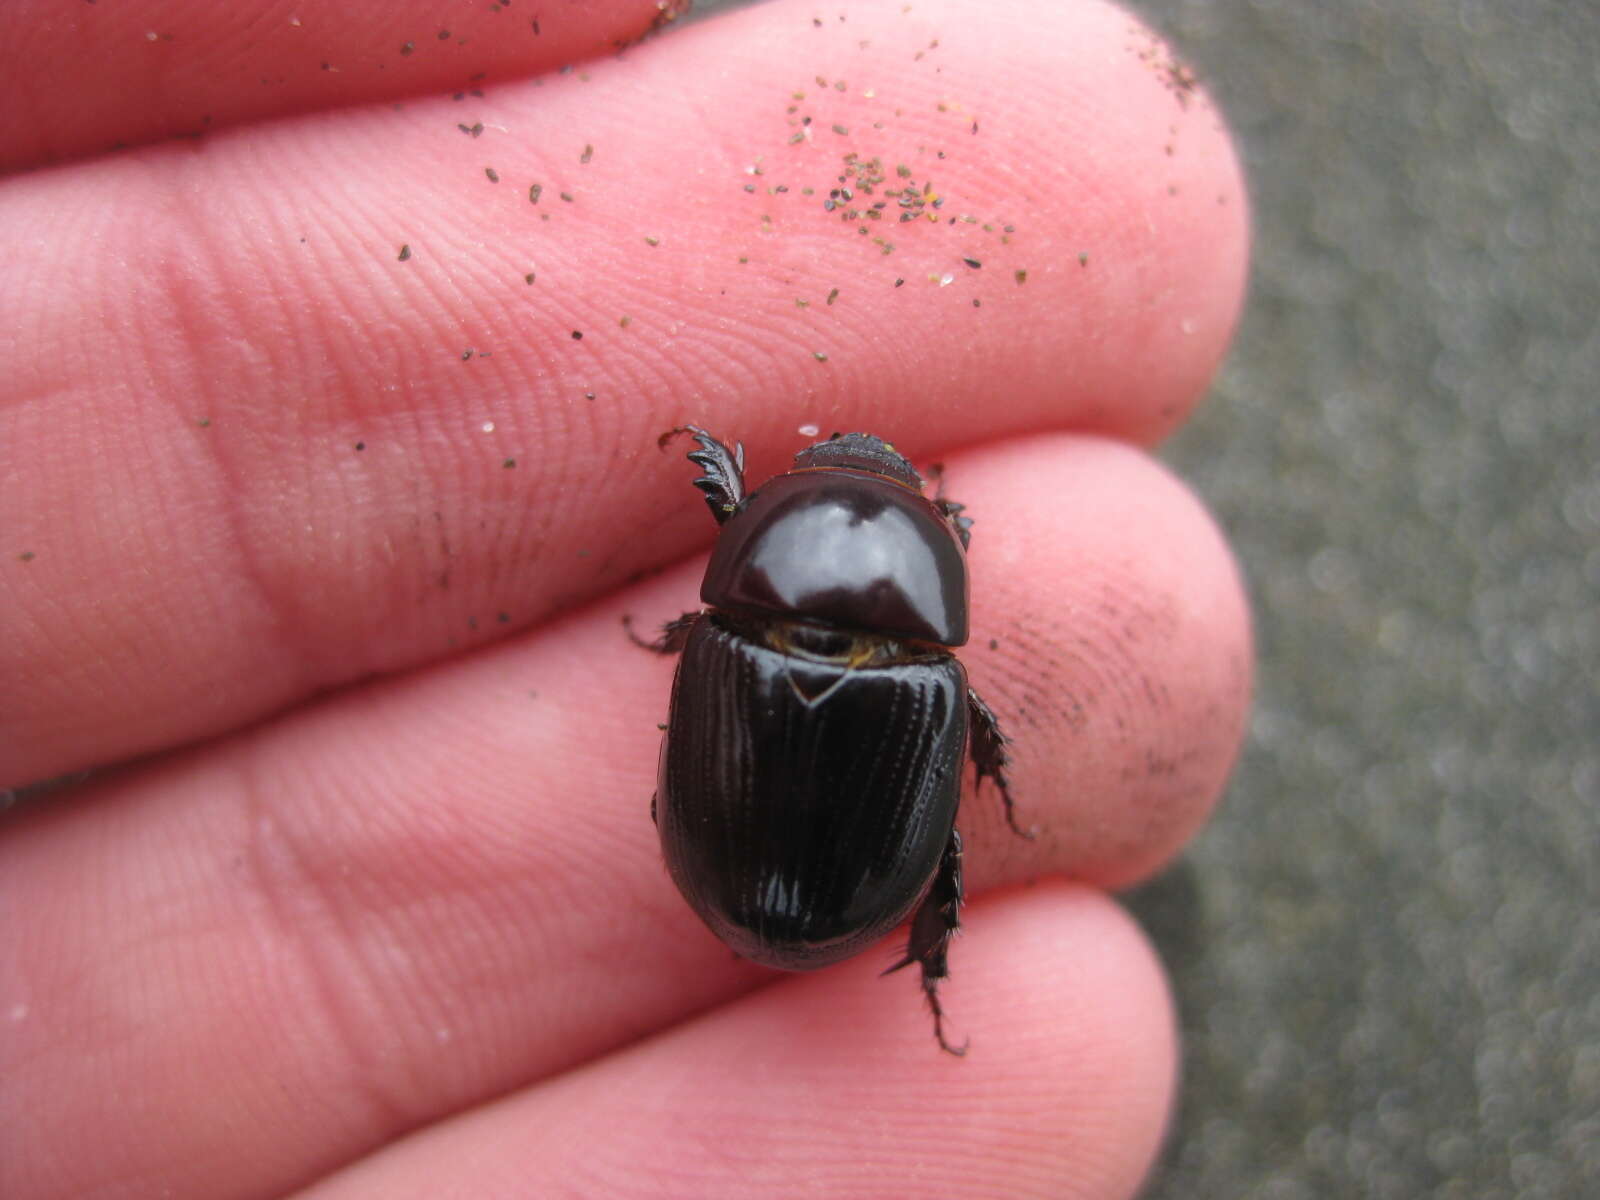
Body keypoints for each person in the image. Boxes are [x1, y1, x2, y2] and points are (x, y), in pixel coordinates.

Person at [0, 1, 1252, 1195]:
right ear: (937, 577)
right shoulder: (937, 675)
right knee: (969, 811)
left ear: (756, 538)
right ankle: (932, 968)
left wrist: (722, 471)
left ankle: (925, 958)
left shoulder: (738, 624)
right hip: (822, 886)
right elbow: (979, 749)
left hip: (736, 863)